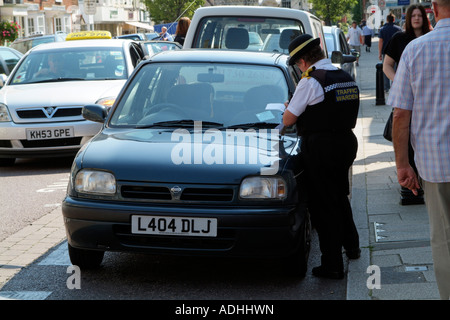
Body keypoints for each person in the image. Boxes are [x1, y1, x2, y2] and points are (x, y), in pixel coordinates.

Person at [282, 34, 360, 280]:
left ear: (303, 61)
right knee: (338, 195)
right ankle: (353, 246)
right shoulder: (344, 77)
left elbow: (288, 119)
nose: (298, 67)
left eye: (298, 64)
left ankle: (332, 264)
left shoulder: (311, 81)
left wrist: (288, 107)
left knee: (323, 206)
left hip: (321, 147)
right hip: (346, 142)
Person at [387, 0, 450, 300]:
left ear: (434, 10)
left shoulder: (416, 49)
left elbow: (401, 114)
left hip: (437, 164)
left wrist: (403, 165)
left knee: (444, 239)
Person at [383, 5, 432, 205]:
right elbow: (387, 65)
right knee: (406, 138)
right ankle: (411, 188)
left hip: (428, 98)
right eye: (414, 15)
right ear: (408, 18)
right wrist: (399, 82)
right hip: (407, 99)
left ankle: (426, 179)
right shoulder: (399, 39)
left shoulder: (431, 38)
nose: (417, 18)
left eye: (420, 15)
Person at [378, 13, 402, 92]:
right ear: (394, 20)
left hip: (387, 52)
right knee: (396, 70)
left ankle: (386, 87)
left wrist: (380, 53)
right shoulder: (398, 29)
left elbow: (381, 41)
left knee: (386, 69)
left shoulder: (383, 29)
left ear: (387, 20)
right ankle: (394, 85)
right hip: (398, 52)